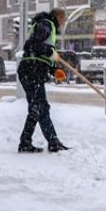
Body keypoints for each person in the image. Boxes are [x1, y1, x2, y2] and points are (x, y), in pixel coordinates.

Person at [16, 8, 70, 153]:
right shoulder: (46, 24)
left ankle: (25, 142)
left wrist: (54, 69)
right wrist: (50, 52)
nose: (64, 22)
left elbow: (41, 53)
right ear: (58, 16)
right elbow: (33, 45)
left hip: (33, 69)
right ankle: (53, 142)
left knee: (36, 109)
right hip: (31, 70)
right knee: (41, 107)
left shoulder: (46, 25)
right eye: (64, 19)